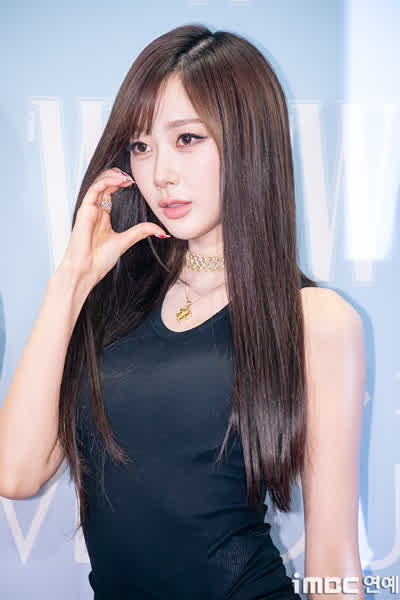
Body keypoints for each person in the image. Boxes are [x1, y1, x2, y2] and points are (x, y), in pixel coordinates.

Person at [0, 24, 366, 600]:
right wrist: (71, 280)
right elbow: (16, 472)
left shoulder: (315, 320)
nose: (160, 173)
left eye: (187, 138)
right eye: (141, 146)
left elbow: (334, 561)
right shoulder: (111, 301)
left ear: (248, 141)